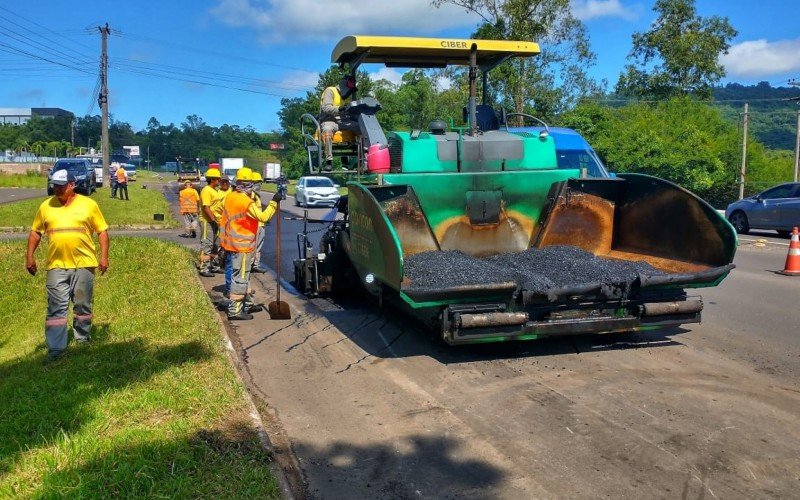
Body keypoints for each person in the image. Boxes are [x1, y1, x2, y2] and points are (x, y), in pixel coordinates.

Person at [26, 169, 110, 364]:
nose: (56, 189)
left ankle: (82, 339)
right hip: (56, 265)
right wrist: (29, 257)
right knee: (56, 308)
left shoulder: (89, 205)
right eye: (54, 185)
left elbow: (102, 232)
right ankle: (56, 349)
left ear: (72, 185)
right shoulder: (46, 206)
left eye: (60, 186)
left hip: (84, 264)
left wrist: (104, 257)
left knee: (82, 303)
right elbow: (35, 233)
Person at [219, 167, 282, 320]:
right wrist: (274, 202)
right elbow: (263, 217)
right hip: (242, 246)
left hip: (232, 243)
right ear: (248, 185)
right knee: (240, 278)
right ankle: (235, 311)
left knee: (243, 276)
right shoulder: (246, 202)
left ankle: (246, 305)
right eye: (252, 184)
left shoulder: (230, 197)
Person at [319, 74, 357, 169]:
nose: (349, 93)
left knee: (359, 126)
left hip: (343, 121)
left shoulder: (345, 97)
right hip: (329, 120)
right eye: (349, 90)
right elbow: (326, 108)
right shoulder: (330, 90)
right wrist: (339, 109)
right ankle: (329, 161)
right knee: (327, 130)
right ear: (344, 86)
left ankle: (361, 158)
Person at [199, 166, 222, 277]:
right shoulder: (206, 190)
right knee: (207, 244)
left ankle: (214, 266)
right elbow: (206, 207)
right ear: (212, 179)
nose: (219, 181)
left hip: (216, 222)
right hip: (207, 221)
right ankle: (204, 268)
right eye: (217, 179)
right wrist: (213, 220)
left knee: (215, 245)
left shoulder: (215, 190)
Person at [249, 171, 267, 273]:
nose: (259, 185)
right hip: (255, 225)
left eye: (260, 183)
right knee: (253, 246)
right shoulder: (251, 195)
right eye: (257, 183)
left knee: (258, 246)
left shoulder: (257, 196)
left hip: (260, 224)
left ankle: (255, 264)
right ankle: (251, 264)